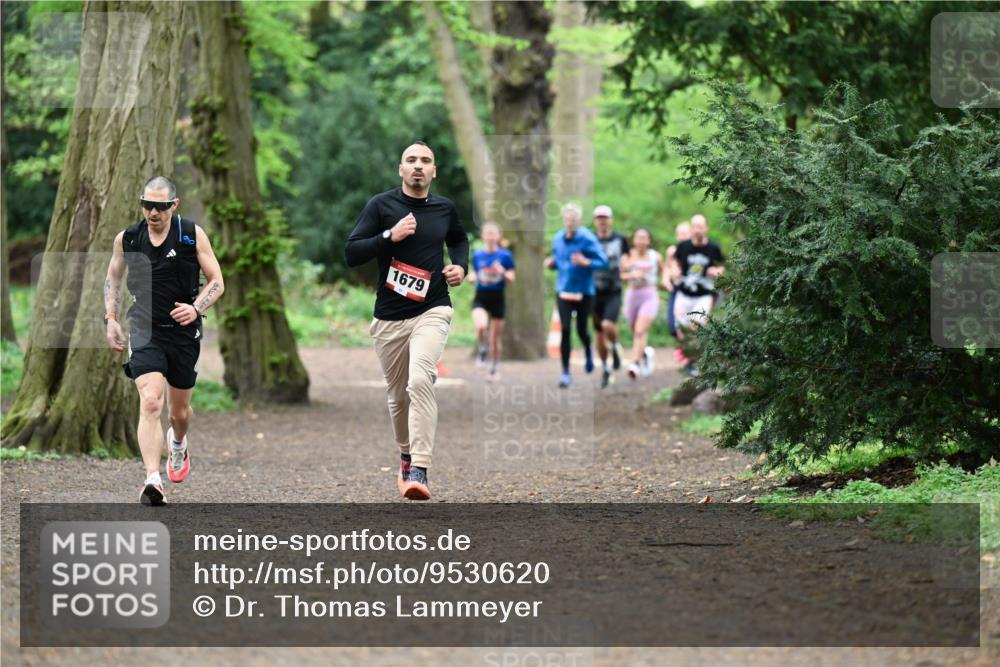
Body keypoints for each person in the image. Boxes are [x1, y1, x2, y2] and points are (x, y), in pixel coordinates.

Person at [345, 141, 469, 501]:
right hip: (390, 317)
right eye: (411, 160)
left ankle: (420, 468)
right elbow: (352, 252)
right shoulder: (381, 206)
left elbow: (459, 239)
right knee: (398, 397)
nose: (418, 166)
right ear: (401, 169)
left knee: (420, 380)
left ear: (434, 171)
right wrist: (389, 236)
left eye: (425, 161)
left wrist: (461, 266)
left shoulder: (445, 208)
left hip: (433, 309)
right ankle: (405, 454)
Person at [104, 176, 225, 506]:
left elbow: (217, 281)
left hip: (184, 334)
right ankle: (152, 480)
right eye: (147, 205)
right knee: (151, 399)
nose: (152, 212)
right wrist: (111, 319)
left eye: (159, 206)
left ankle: (179, 444)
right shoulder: (128, 238)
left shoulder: (190, 234)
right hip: (144, 329)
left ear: (174, 205)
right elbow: (113, 278)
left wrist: (196, 308)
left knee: (179, 413)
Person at [545, 203, 608, 388]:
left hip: (584, 292)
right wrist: (551, 263)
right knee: (565, 329)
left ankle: (588, 349)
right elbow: (559, 261)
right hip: (563, 290)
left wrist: (585, 261)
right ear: (564, 220)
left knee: (581, 330)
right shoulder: (557, 238)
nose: (570, 222)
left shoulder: (588, 239)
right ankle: (565, 372)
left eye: (574, 219)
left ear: (579, 221)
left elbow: (603, 262)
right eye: (567, 219)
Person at [669, 213, 725, 375]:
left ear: (706, 228)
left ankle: (695, 361)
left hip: (704, 295)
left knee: (696, 325)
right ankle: (690, 360)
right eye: (694, 226)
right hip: (684, 294)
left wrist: (717, 271)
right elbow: (674, 260)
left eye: (700, 226)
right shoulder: (684, 246)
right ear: (691, 228)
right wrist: (675, 270)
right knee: (681, 331)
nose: (697, 230)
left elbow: (723, 266)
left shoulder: (713, 248)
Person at [468, 222, 515, 381]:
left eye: (493, 234)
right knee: (481, 326)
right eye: (487, 234)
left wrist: (501, 271)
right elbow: (473, 274)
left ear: (498, 236)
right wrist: (472, 277)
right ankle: (482, 348)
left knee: (495, 338)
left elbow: (511, 278)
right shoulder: (477, 254)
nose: (490, 237)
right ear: (483, 236)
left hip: (498, 298)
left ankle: (494, 368)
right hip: (481, 297)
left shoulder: (505, 256)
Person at [591, 204, 629, 388]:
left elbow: (627, 259)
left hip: (613, 289)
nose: (602, 222)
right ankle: (606, 368)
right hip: (593, 291)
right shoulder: (589, 240)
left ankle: (615, 346)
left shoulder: (620, 239)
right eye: (599, 219)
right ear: (595, 222)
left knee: (608, 325)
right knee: (598, 332)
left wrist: (626, 267)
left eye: (605, 218)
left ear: (611, 220)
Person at [621, 228, 661, 379]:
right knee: (635, 331)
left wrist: (665, 281)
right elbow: (619, 275)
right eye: (638, 238)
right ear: (634, 240)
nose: (641, 241)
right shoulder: (628, 256)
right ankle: (645, 354)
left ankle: (635, 363)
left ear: (649, 241)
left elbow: (664, 272)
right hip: (632, 294)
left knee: (639, 330)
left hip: (649, 294)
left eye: (644, 238)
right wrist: (632, 274)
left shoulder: (655, 256)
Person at [661, 221, 691, 364]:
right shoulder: (672, 251)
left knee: (689, 324)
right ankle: (684, 348)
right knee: (673, 325)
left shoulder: (694, 250)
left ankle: (688, 354)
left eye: (685, 233)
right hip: (675, 290)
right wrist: (666, 280)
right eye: (679, 234)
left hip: (691, 291)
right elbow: (667, 268)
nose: (682, 237)